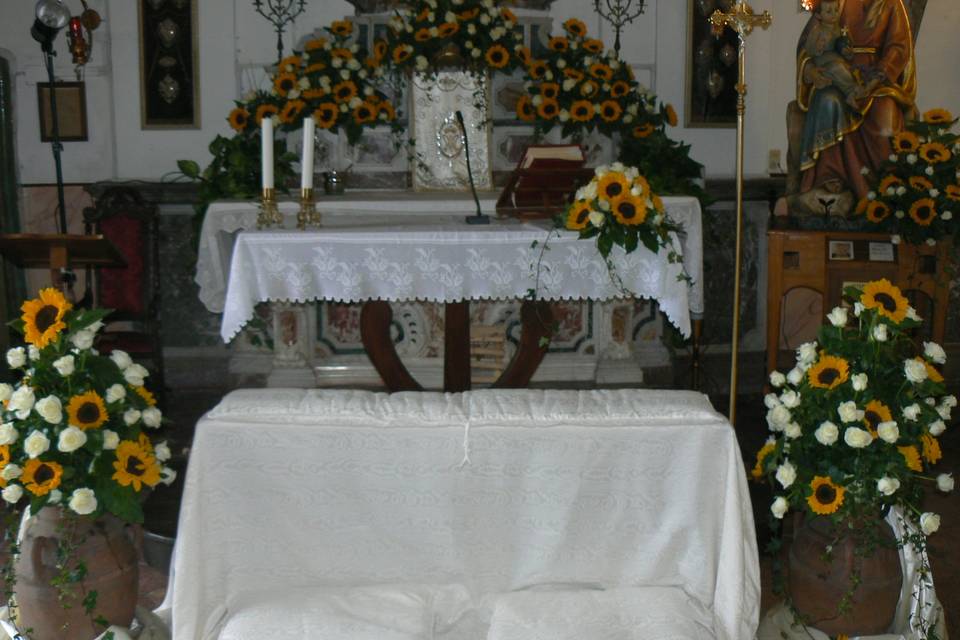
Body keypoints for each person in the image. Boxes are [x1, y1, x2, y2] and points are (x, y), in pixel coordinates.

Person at [788, 0, 916, 212]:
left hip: (877, 79)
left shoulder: (892, 3)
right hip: (838, 73)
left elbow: (899, 47)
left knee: (885, 125)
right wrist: (810, 69)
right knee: (828, 102)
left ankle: (885, 196)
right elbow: (807, 44)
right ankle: (829, 181)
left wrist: (877, 77)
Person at [802, 0, 862, 109]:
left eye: (836, 10)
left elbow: (848, 45)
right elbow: (808, 49)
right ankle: (853, 91)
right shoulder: (817, 31)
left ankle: (850, 94)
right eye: (829, 12)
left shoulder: (840, 29)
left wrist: (847, 52)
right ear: (818, 15)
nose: (834, 14)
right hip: (824, 66)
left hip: (839, 63)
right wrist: (817, 47)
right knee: (838, 69)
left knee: (845, 70)